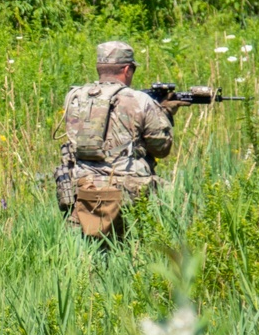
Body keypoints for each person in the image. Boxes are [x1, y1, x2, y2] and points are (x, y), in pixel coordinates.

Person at [59, 41, 184, 239]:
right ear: (127, 69)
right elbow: (161, 148)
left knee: (87, 249)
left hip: (82, 188)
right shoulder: (140, 100)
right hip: (127, 191)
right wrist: (165, 112)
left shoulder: (73, 97)